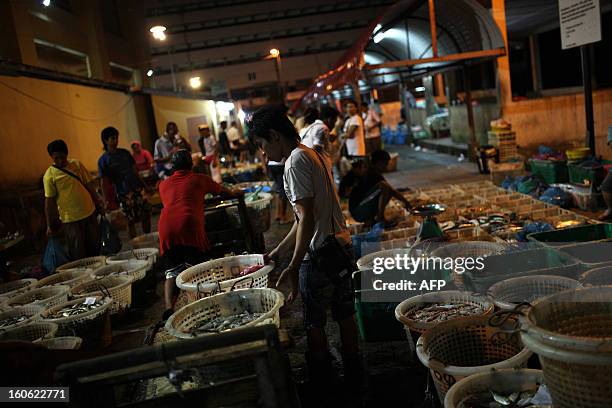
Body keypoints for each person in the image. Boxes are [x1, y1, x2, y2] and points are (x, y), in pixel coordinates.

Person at [249, 105, 361, 400]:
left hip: (321, 255)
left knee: (314, 321)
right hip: (341, 246)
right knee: (345, 313)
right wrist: (278, 252)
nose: (262, 153)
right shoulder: (311, 153)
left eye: (261, 145)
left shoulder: (294, 163)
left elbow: (307, 219)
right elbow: (302, 219)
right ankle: (355, 375)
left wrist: (296, 264)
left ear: (274, 136)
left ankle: (323, 384)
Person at [158, 149, 242, 319]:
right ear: (191, 165)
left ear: (173, 167)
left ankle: (168, 308)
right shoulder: (199, 179)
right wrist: (236, 193)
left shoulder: (163, 184)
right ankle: (201, 306)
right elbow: (223, 191)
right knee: (197, 269)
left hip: (166, 228)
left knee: (171, 272)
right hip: (189, 226)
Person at [43, 140, 102, 260]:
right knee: (78, 252)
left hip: (89, 213)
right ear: (51, 157)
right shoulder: (49, 175)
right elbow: (49, 203)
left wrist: (98, 202)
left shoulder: (77, 165)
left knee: (95, 248)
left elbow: (89, 185)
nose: (59, 161)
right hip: (70, 220)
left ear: (67, 154)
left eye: (62, 157)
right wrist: (49, 225)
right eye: (56, 158)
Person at [99, 127, 152, 238]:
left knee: (145, 213)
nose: (116, 140)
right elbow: (103, 182)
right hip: (121, 193)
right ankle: (135, 247)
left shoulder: (125, 153)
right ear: (105, 140)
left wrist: (145, 186)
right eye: (113, 138)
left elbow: (135, 172)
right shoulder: (103, 160)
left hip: (136, 189)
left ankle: (149, 237)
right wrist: (105, 200)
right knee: (129, 220)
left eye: (117, 138)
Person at [348, 150, 412, 225]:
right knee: (384, 187)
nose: (387, 166)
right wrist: (406, 202)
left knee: (387, 190)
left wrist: (405, 201)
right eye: (386, 163)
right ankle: (380, 217)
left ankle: (370, 220)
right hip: (358, 211)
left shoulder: (373, 173)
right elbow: (388, 188)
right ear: (379, 163)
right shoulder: (372, 174)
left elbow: (391, 191)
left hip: (361, 208)